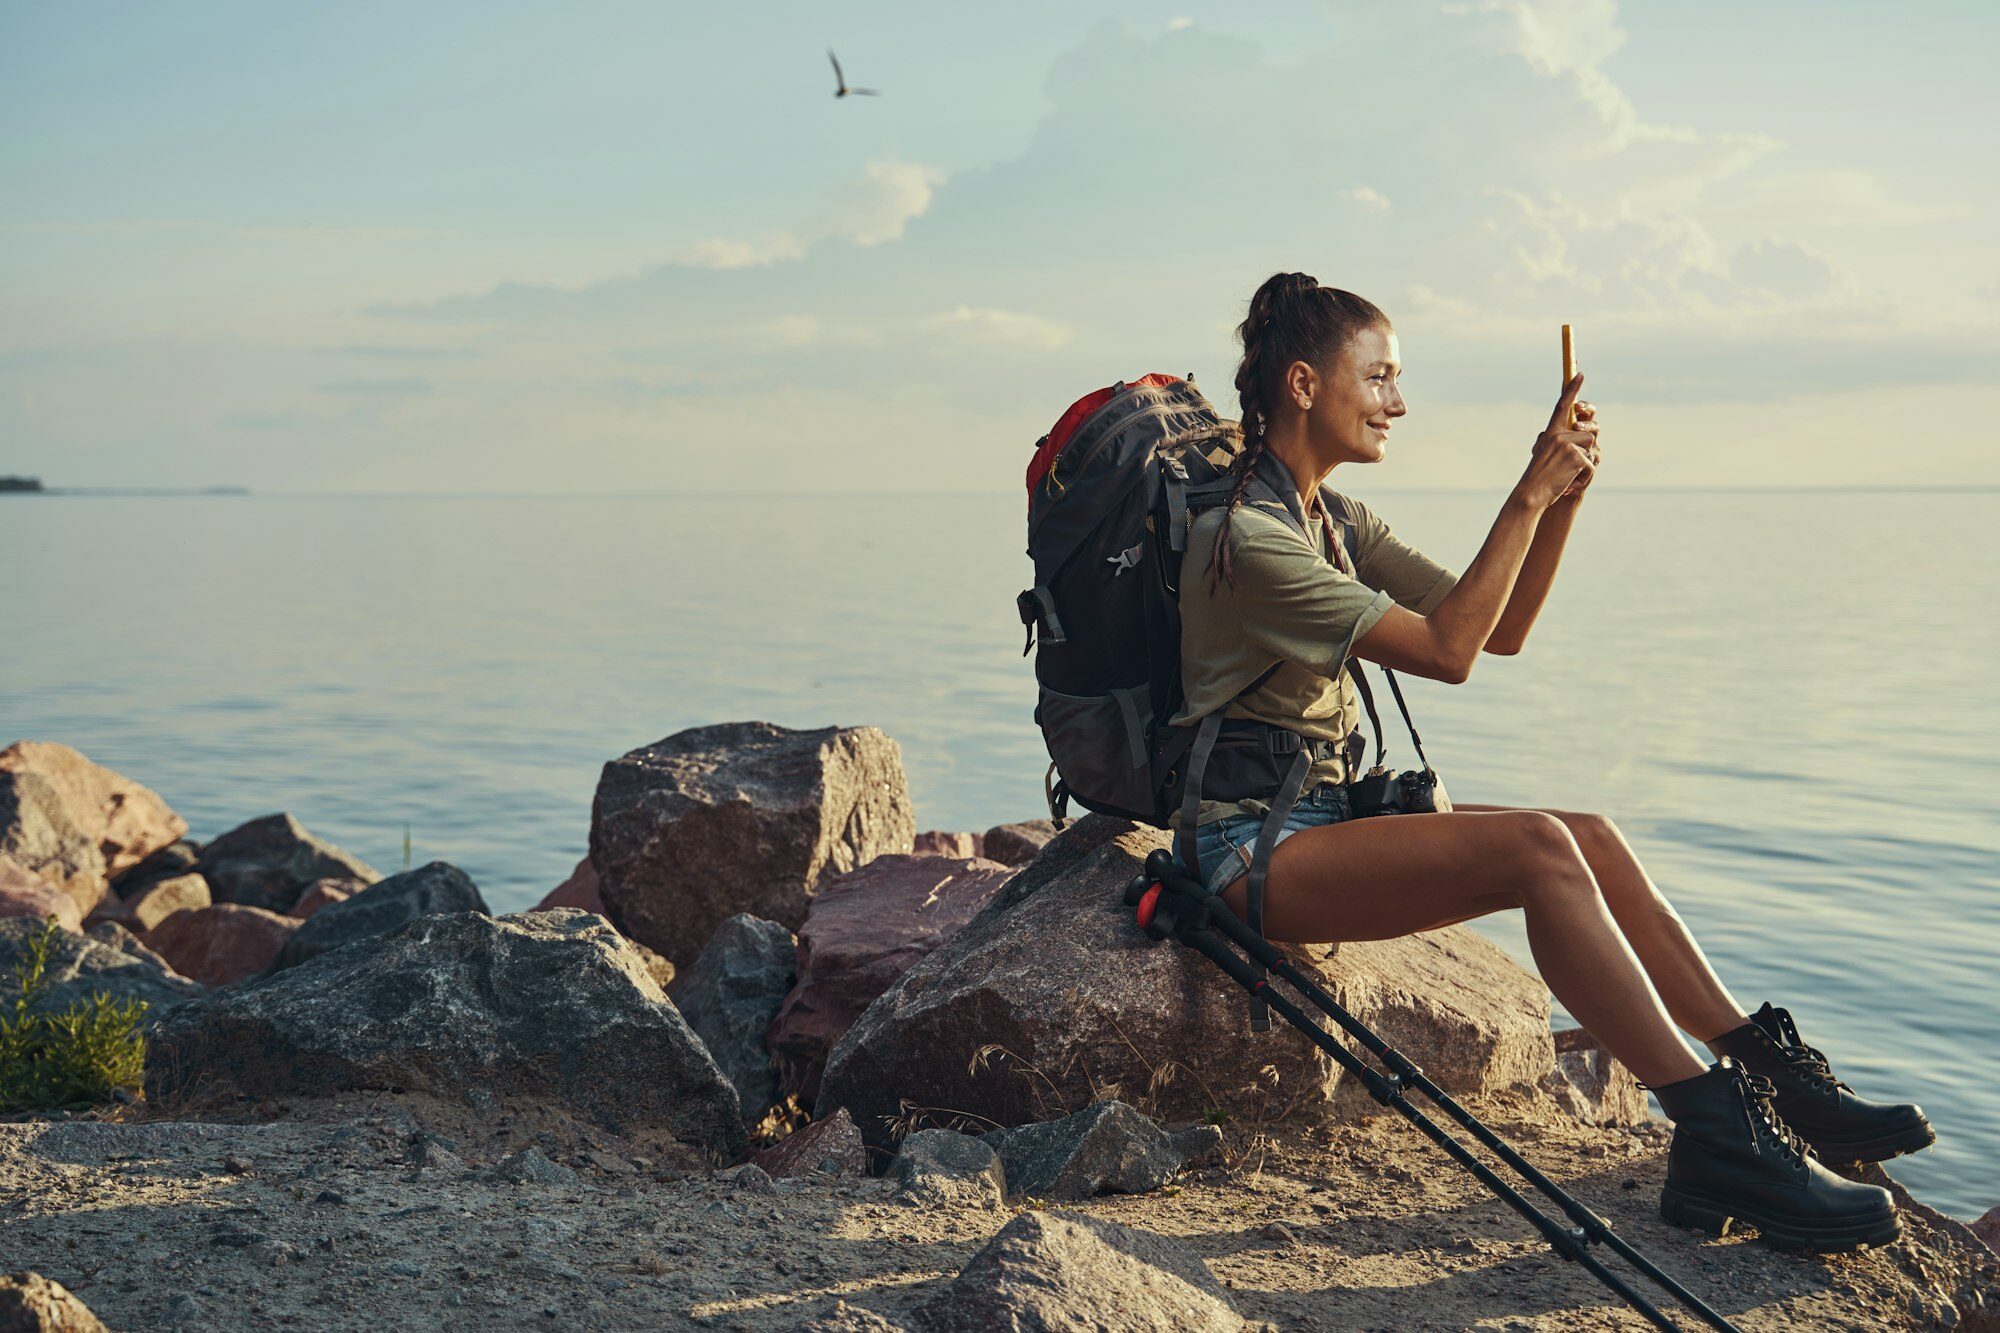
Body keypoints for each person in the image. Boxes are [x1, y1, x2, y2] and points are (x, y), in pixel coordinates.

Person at [1170, 270, 1933, 1251]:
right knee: (1534, 849)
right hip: (1244, 856)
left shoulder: (1332, 519)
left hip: (1321, 817)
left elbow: (1501, 629)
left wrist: (1559, 494)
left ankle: (1771, 1079)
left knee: (1586, 835)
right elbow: (1447, 652)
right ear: (1307, 384)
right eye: (1380, 379)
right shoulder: (1244, 539)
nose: (1398, 402)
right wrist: (1523, 491)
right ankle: (1715, 1131)